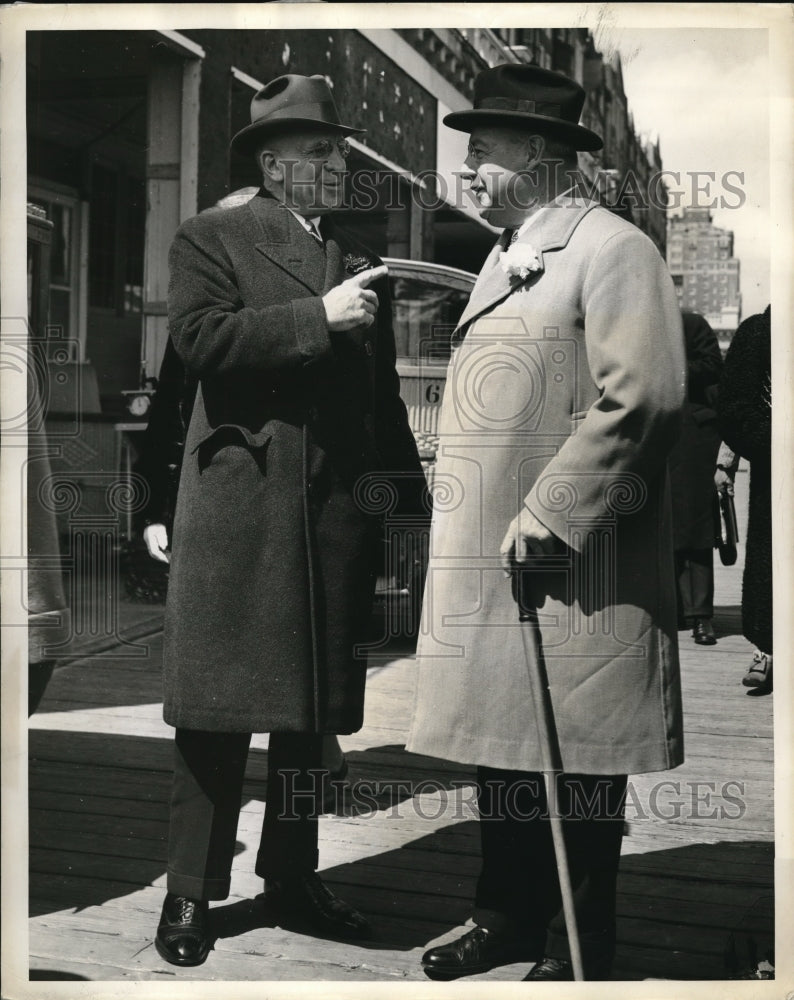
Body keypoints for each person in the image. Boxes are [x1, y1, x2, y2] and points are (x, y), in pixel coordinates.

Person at [406, 63, 686, 981]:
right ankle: (508, 917)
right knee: (506, 747)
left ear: (539, 155)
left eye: (482, 153)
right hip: (502, 568)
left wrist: (553, 514)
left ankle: (575, 941)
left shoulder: (613, 249)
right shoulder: (510, 249)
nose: (470, 172)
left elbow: (644, 395)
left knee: (575, 762)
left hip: (571, 562)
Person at [155, 74, 429, 967]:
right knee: (215, 710)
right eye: (321, 151)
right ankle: (190, 895)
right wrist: (317, 315)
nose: (338, 161)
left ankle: (295, 878)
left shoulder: (355, 251)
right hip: (242, 510)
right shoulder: (211, 236)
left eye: (339, 149)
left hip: (336, 514)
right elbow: (200, 343)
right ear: (275, 168)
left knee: (312, 716)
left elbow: (382, 394)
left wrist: (406, 507)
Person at [718, 306, 772, 693]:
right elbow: (736, 409)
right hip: (778, 472)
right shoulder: (759, 332)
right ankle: (769, 650)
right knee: (772, 562)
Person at [667, 312, 723, 645]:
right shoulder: (636, 322)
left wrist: (675, 368)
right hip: (653, 435)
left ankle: (700, 616)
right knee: (663, 530)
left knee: (696, 528)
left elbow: (713, 365)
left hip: (691, 438)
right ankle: (673, 611)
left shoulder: (690, 322)